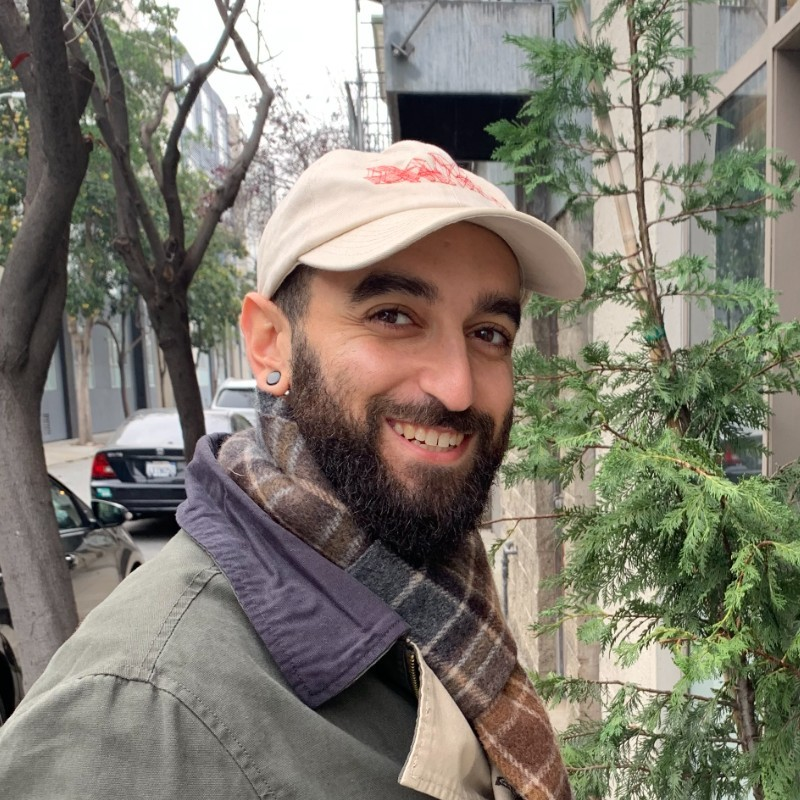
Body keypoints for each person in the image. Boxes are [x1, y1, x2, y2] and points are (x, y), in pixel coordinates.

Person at [0, 140, 584, 800]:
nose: (456, 387)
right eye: (394, 316)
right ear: (269, 344)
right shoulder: (137, 717)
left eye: (489, 333)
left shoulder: (437, 594)